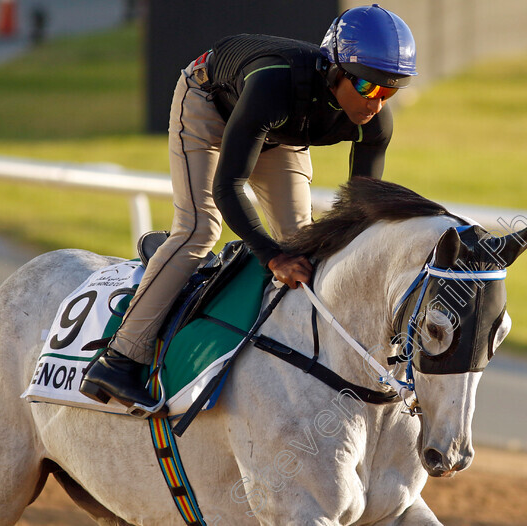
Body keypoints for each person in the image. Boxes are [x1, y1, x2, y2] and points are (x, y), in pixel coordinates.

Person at [79, 4, 417, 416]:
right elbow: (228, 185)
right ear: (335, 70)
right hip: (209, 104)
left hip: (277, 132)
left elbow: (358, 213)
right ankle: (117, 359)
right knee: (199, 230)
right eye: (367, 87)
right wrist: (271, 255)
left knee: (305, 247)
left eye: (390, 91)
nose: (377, 104)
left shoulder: (374, 122)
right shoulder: (274, 84)